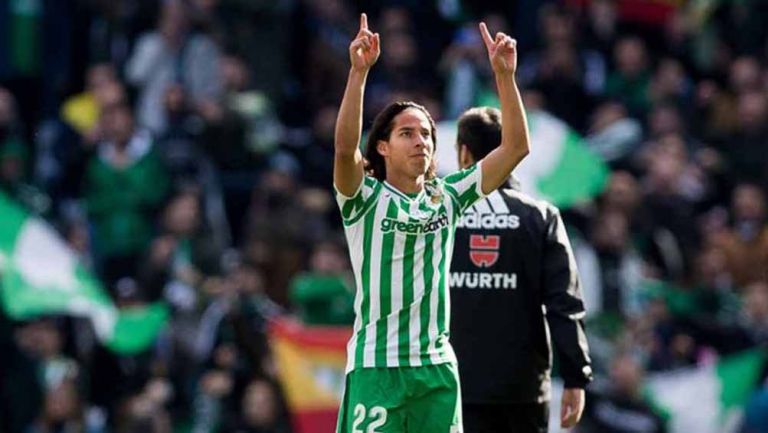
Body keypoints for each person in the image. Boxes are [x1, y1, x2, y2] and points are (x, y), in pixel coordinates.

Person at [333, 13, 530, 433]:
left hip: (436, 370)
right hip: (377, 367)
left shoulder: (449, 196)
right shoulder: (363, 198)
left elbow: (515, 148)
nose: (420, 140)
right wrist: (358, 73)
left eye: (426, 134)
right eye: (407, 133)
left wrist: (504, 77)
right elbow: (345, 147)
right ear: (383, 147)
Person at [449, 106, 593, 433]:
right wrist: (576, 376)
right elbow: (564, 304)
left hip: (449, 385)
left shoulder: (438, 215)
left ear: (463, 152)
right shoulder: (541, 217)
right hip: (521, 389)